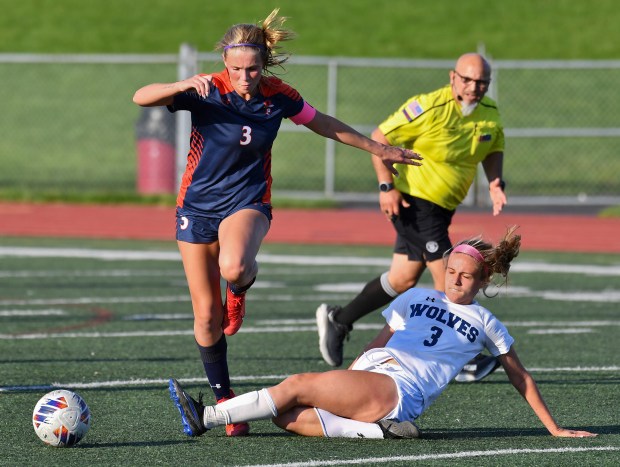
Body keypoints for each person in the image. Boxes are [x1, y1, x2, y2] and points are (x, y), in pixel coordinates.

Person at [133, 9, 421, 437]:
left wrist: (378, 149)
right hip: (195, 208)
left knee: (233, 266)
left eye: (252, 69)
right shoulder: (206, 89)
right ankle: (226, 402)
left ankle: (240, 287)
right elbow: (142, 96)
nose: (244, 77)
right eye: (236, 69)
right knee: (207, 318)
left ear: (264, 64)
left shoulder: (278, 95)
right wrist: (179, 85)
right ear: (225, 64)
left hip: (247, 202)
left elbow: (323, 124)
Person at [168, 227, 597, 440]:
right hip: (374, 376)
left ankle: (206, 418)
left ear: (484, 281)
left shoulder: (488, 324)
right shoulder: (415, 298)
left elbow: (519, 376)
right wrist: (353, 373)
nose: (456, 281)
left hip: (398, 387)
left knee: (297, 385)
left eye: (467, 277)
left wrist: (554, 428)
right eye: (451, 272)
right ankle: (381, 431)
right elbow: (380, 341)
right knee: (284, 415)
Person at [316, 52, 507, 382]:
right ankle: (460, 360)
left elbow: (493, 149)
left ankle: (339, 319)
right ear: (453, 77)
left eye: (482, 82)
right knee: (449, 275)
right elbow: (380, 137)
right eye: (468, 79)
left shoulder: (489, 112)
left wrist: (494, 183)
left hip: (442, 210)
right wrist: (386, 186)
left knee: (402, 279)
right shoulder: (429, 107)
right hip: (414, 203)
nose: (475, 86)